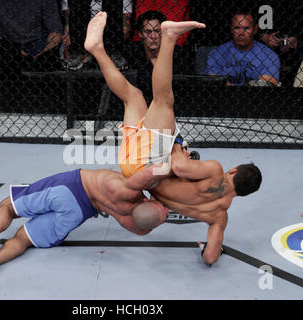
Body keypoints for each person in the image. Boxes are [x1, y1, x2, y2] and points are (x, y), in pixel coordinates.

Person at [85, 12, 262, 265]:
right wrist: (208, 250)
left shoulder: (215, 171)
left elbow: (177, 166)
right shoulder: (219, 217)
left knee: (164, 101)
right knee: (133, 96)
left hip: (149, 164)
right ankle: (96, 48)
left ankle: (168, 37)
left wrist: (177, 144)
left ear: (234, 170)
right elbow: (210, 257)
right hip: (134, 168)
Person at [0, 166, 169, 279]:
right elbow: (145, 226)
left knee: (8, 206)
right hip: (78, 213)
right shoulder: (128, 221)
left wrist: (172, 165)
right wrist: (162, 208)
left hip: (69, 189)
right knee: (23, 239)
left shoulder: (128, 188)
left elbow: (153, 171)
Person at [0, 0, 64, 70]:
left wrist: (44, 52)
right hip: (5, 43)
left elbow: (55, 31)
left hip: (36, 42)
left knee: (46, 60)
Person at [204, 10, 280, 86]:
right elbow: (212, 85)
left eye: (246, 28)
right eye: (237, 28)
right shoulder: (217, 53)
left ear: (255, 29)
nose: (241, 33)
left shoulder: (270, 56)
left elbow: (266, 87)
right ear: (231, 29)